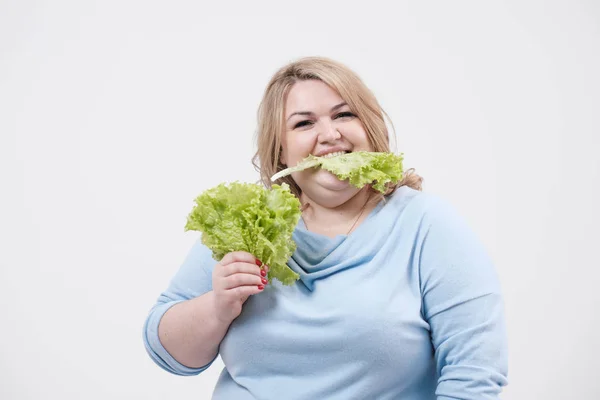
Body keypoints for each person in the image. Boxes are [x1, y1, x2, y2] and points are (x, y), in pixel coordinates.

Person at [142, 56, 509, 399]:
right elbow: (170, 355)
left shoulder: (426, 225)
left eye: (344, 115)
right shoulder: (249, 222)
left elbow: (474, 371)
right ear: (281, 151)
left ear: (371, 127)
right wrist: (218, 306)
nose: (330, 135)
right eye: (304, 123)